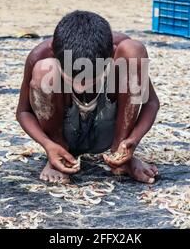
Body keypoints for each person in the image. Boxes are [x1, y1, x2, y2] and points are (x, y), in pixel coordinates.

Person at [16, 11, 160, 184]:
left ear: (110, 55)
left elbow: (151, 102)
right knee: (44, 70)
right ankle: (60, 156)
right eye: (73, 80)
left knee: (134, 50)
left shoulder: (118, 48)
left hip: (110, 128)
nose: (81, 87)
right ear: (54, 51)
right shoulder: (41, 55)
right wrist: (48, 145)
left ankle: (121, 156)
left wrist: (133, 140)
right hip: (64, 131)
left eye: (92, 80)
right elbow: (23, 112)